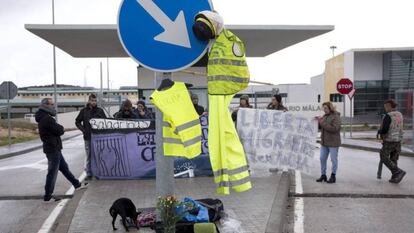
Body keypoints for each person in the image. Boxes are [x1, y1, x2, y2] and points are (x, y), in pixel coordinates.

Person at [35, 98, 88, 202]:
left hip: (53, 148)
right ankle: (48, 195)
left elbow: (56, 129)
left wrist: (58, 128)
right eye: (52, 104)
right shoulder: (47, 119)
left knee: (64, 168)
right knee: (52, 172)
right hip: (53, 149)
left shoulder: (44, 117)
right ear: (46, 105)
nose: (53, 106)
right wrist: (60, 128)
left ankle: (76, 184)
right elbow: (59, 130)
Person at [75, 94, 106, 180]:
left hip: (98, 137)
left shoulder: (100, 111)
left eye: (95, 101)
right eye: (92, 100)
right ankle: (89, 174)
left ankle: (100, 172)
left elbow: (105, 122)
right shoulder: (84, 111)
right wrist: (83, 130)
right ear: (89, 101)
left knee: (99, 155)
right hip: (88, 137)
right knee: (89, 156)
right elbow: (77, 122)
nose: (94, 102)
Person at [377, 99, 406, 183]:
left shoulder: (388, 116)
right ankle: (395, 177)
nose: (385, 108)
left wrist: (379, 131)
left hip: (389, 140)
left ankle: (398, 171)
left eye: (386, 107)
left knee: (383, 156)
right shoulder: (400, 114)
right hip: (398, 140)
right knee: (394, 159)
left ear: (389, 106)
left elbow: (385, 130)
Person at [315, 102, 341, 184]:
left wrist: (321, 122)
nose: (324, 110)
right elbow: (322, 127)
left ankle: (333, 175)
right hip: (324, 142)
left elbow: (335, 128)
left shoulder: (336, 116)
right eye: (323, 108)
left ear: (330, 108)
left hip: (333, 142)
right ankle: (323, 175)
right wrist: (317, 122)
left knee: (333, 160)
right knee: (322, 158)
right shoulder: (324, 116)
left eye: (325, 108)